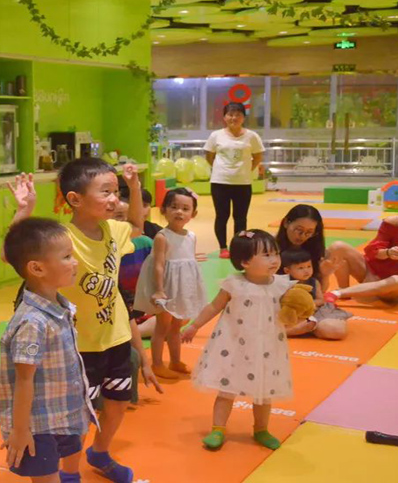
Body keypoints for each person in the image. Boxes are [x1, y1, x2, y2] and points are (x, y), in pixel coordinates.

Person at [8, 159, 162, 483]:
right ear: (75, 199)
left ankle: (100, 452)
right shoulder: (63, 237)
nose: (114, 199)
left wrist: (134, 187)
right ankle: (69, 472)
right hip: (80, 346)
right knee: (78, 418)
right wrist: (23, 211)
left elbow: (137, 224)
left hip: (116, 336)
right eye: (105, 192)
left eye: (116, 191)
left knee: (118, 401)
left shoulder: (113, 230)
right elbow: (15, 253)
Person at [0, 218, 96, 483]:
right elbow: (24, 379)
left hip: (58, 416)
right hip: (37, 426)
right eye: (66, 257)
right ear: (37, 268)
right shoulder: (33, 321)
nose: (74, 262)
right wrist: (20, 430)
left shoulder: (60, 308)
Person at [181, 230, 294, 451]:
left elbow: (290, 311)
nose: (274, 260)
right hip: (233, 346)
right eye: (266, 255)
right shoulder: (234, 284)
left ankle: (261, 429)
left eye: (276, 253)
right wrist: (194, 325)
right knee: (227, 389)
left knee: (264, 392)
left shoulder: (280, 285)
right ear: (245, 262)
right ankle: (218, 428)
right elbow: (214, 306)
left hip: (267, 348)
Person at [134, 188, 208, 380]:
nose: (179, 212)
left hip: (181, 288)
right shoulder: (162, 236)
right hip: (167, 288)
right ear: (163, 210)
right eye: (174, 207)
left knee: (176, 326)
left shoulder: (191, 236)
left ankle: (175, 361)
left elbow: (188, 264)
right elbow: (158, 266)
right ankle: (157, 364)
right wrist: (159, 290)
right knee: (162, 327)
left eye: (185, 208)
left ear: (193, 214)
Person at [324, 189, 398, 304]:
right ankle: (342, 289)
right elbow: (373, 250)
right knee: (337, 247)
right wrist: (388, 252)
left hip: (394, 285)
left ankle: (340, 293)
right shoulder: (395, 222)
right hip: (371, 272)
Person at [204, 102, 265, 259]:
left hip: (243, 183)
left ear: (243, 117)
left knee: (240, 218)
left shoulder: (252, 136)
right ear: (224, 117)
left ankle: (238, 248)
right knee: (222, 216)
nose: (234, 118)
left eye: (238, 115)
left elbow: (258, 156)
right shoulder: (216, 135)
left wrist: (246, 170)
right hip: (220, 182)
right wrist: (220, 169)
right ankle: (223, 248)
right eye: (230, 114)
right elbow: (209, 156)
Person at [112, 194, 155, 403]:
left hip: (136, 310)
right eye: (117, 216)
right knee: (130, 356)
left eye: (125, 216)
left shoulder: (144, 242)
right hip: (114, 321)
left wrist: (147, 364)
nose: (122, 222)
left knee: (173, 317)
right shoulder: (109, 254)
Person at [280, 249, 349, 340]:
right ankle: (298, 329)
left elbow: (321, 300)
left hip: (314, 310)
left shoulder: (314, 282)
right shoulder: (285, 284)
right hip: (295, 313)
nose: (306, 271)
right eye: (301, 268)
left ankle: (309, 327)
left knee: (335, 327)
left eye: (309, 266)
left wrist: (309, 304)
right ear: (287, 270)